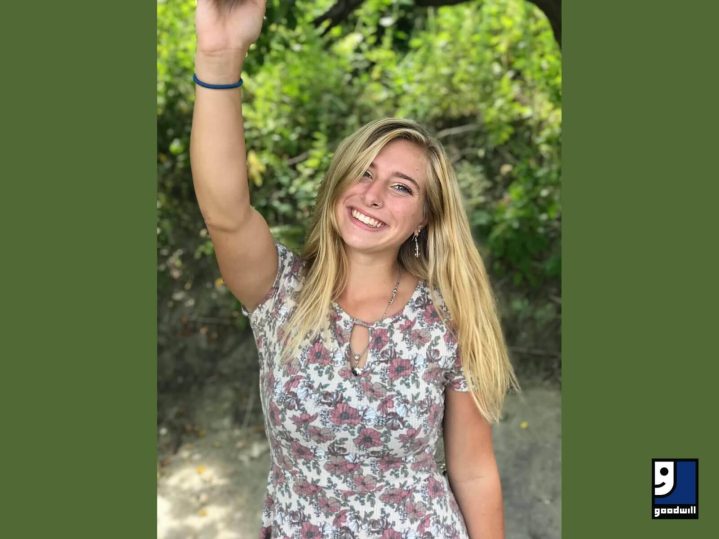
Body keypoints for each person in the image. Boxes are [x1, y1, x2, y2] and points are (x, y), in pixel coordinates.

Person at [190, 1, 518, 537]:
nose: (373, 195)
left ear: (423, 218)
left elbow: (474, 470)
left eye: (401, 187)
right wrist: (220, 55)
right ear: (340, 181)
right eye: (364, 173)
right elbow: (225, 213)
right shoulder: (279, 292)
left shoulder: (447, 317)